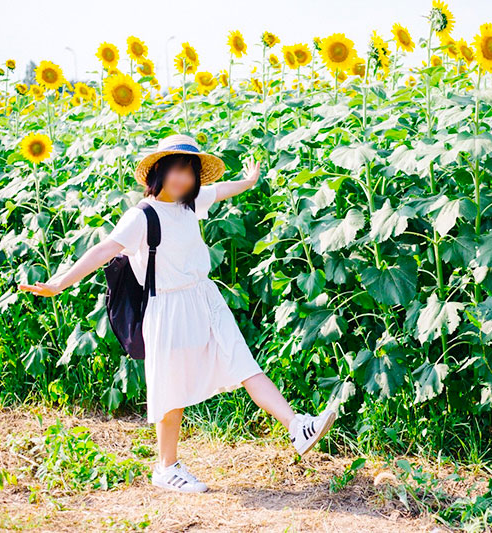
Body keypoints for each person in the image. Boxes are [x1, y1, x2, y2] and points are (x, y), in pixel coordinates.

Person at [18, 133, 336, 493]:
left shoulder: (190, 202)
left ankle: (297, 426)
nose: (183, 179)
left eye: (190, 172)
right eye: (176, 170)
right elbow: (105, 248)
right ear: (158, 171)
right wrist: (60, 282)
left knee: (244, 364)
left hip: (204, 297)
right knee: (172, 391)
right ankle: (166, 467)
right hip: (166, 307)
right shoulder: (141, 216)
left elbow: (220, 191)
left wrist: (248, 182)